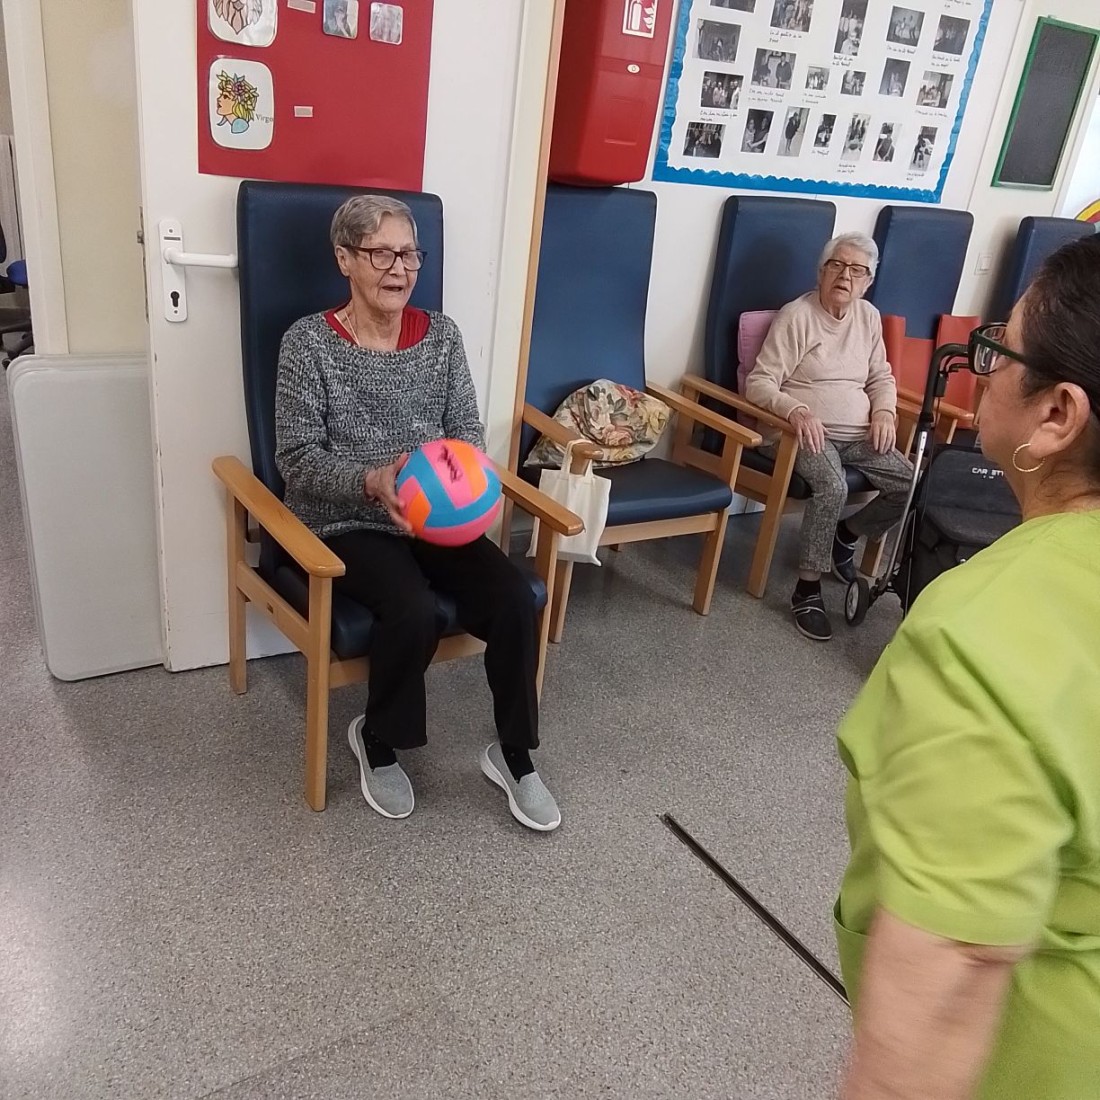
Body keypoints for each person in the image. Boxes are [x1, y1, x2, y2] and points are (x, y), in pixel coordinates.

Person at [835, 235, 1100, 1099]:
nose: (982, 369)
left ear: (1057, 414)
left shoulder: (986, 635)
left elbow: (949, 978)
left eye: (1001, 349)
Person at [274, 195, 560, 832]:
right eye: (381, 254)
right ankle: (378, 738)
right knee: (412, 607)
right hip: (344, 518)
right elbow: (296, 459)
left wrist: (462, 492)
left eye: (409, 254)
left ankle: (514, 754)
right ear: (345, 259)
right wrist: (370, 481)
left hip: (434, 513)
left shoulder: (443, 337)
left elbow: (465, 433)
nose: (399, 268)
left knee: (515, 598)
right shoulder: (307, 343)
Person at [745, 232, 910, 641]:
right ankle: (807, 589)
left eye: (857, 270)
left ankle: (847, 534)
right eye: (837, 265)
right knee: (832, 485)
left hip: (858, 435)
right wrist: (795, 410)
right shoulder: (797, 316)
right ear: (820, 272)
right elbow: (759, 382)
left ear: (868, 282)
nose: (845, 276)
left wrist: (884, 411)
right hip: (801, 432)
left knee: (911, 482)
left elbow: (881, 377)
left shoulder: (868, 317)